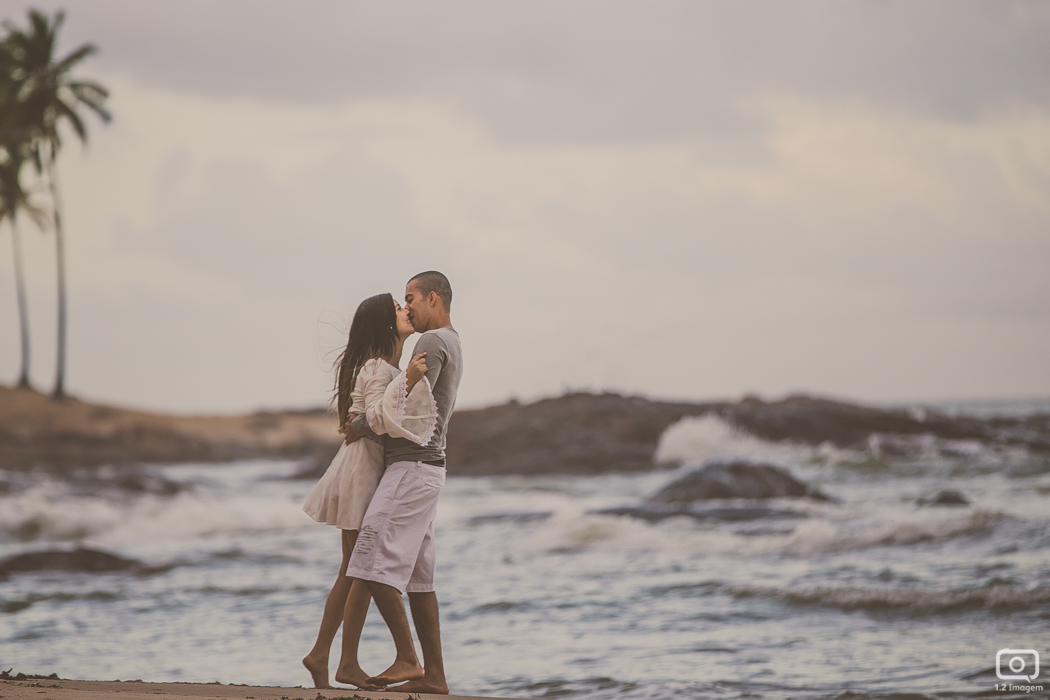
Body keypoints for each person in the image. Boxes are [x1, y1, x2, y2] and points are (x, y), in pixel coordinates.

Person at [301, 292, 435, 689]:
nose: (406, 309)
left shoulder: (383, 366)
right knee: (357, 569)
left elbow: (372, 418)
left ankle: (326, 656)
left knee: (354, 569)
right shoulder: (379, 368)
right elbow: (376, 417)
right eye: (397, 307)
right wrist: (408, 381)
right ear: (385, 324)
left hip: (364, 467)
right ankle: (338, 660)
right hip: (361, 470)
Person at [341, 271, 462, 695]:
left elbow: (407, 407)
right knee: (420, 581)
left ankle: (408, 658)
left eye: (410, 298)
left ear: (433, 298)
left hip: (411, 468)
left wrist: (359, 423)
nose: (406, 306)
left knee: (367, 557)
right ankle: (436, 677)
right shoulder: (452, 341)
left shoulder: (431, 342)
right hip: (428, 470)